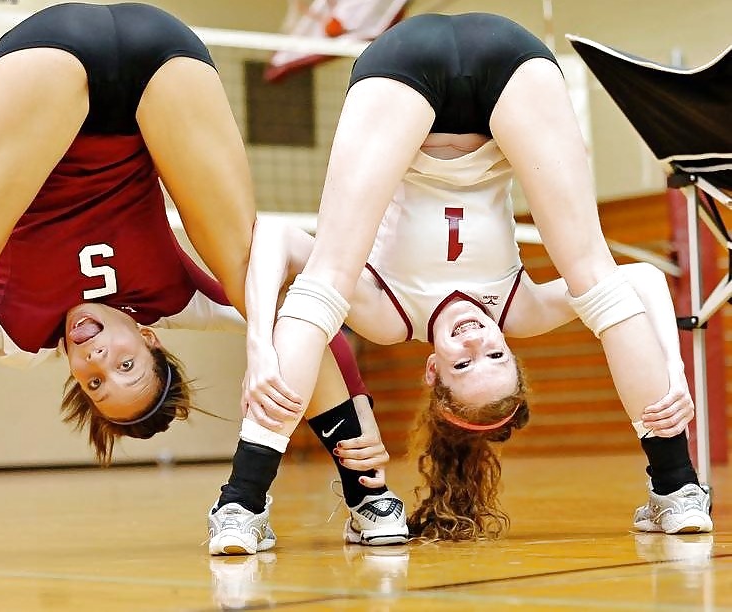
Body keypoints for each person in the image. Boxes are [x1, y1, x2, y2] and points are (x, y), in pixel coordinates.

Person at [0, 2, 404, 568]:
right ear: (152, 340)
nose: (100, 357)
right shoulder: (180, 300)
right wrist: (359, 420)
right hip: (163, 58)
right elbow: (300, 317)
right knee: (250, 268)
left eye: (97, 381)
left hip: (47, 60)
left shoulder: (10, 330)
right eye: (126, 366)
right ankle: (369, 496)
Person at [210, 11, 711, 548]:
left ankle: (243, 499)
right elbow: (640, 281)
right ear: (512, 350)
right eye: (496, 357)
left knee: (325, 280)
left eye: (463, 364)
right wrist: (672, 370)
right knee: (596, 277)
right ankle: (677, 488)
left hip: (402, 67)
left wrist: (260, 345)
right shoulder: (521, 309)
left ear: (432, 371)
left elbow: (280, 236)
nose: (476, 341)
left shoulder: (388, 316)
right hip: (509, 63)